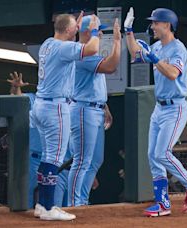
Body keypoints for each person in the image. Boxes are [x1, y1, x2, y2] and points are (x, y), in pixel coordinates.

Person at [124, 7, 187, 216]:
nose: (152, 27)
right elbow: (135, 52)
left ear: (166, 25)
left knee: (162, 153)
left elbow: (172, 73)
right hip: (159, 107)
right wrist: (128, 31)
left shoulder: (178, 49)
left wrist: (154, 59)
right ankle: (162, 204)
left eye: (155, 23)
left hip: (175, 107)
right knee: (153, 155)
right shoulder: (157, 46)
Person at [32, 12, 100, 221]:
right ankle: (49, 207)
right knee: (54, 158)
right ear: (70, 30)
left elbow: (69, 38)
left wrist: (74, 29)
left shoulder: (48, 43)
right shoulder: (63, 48)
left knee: (47, 156)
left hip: (40, 105)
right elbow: (92, 48)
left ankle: (43, 205)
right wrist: (95, 29)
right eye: (75, 28)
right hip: (55, 107)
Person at [67, 15, 117, 207]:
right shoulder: (81, 53)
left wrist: (104, 105)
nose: (102, 33)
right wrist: (118, 43)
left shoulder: (88, 52)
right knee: (82, 160)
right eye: (98, 30)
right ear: (87, 31)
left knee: (95, 160)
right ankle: (74, 203)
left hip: (95, 107)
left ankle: (82, 201)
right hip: (82, 109)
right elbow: (111, 67)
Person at [7, 72, 42, 209]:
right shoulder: (33, 98)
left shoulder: (61, 101)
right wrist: (15, 88)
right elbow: (17, 101)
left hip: (53, 159)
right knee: (25, 199)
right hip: (33, 158)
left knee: (54, 201)